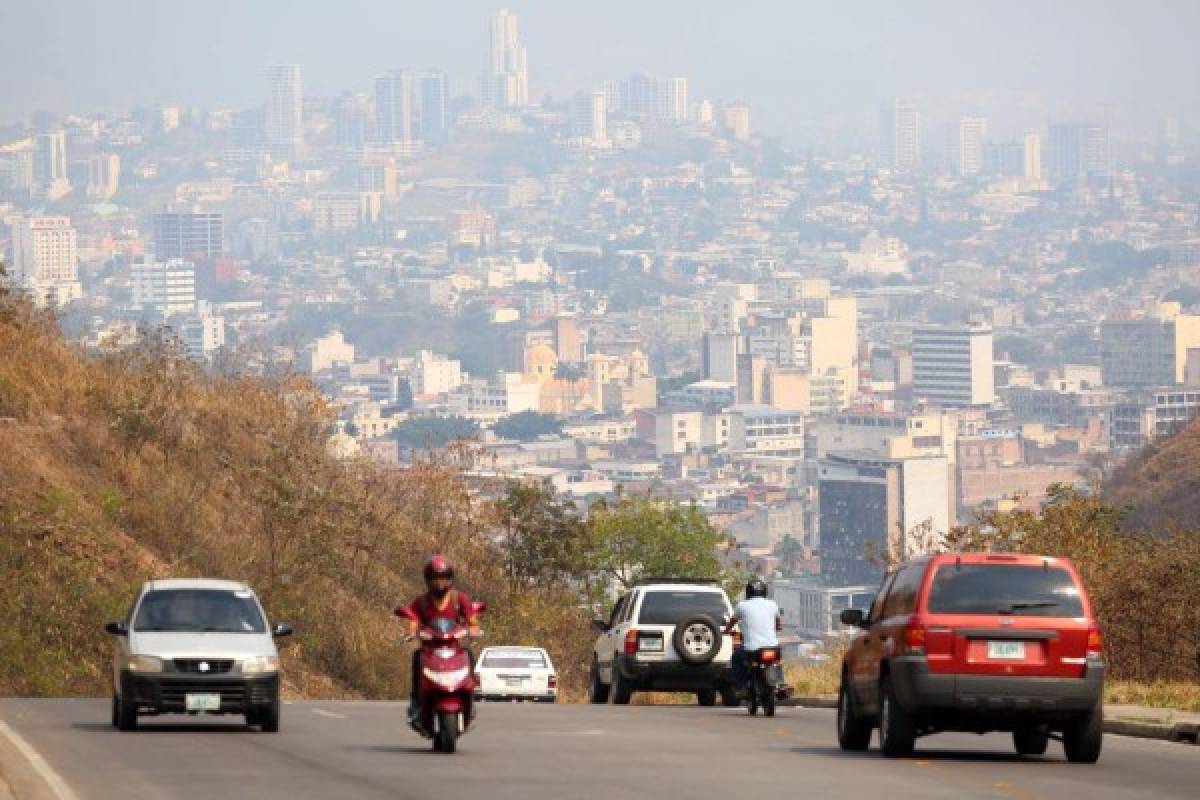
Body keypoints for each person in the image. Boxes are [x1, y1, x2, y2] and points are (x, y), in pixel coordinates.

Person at [395, 555, 482, 722]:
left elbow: (473, 622)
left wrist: (473, 630)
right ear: (428, 580)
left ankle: (469, 695)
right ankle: (416, 701)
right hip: (430, 650)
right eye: (435, 578)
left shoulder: (459, 599)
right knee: (417, 657)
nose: (439, 583)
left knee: (469, 654)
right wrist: (412, 633)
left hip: (454, 648)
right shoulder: (421, 602)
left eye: (443, 578)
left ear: (450, 579)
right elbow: (413, 622)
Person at [724, 578, 781, 694]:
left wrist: (726, 631)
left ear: (748, 592)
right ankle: (780, 683)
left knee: (736, 658)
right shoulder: (773, 604)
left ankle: (741, 686)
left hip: (751, 649)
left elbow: (732, 622)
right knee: (777, 662)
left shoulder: (742, 606)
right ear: (764, 591)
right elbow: (778, 625)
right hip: (772, 646)